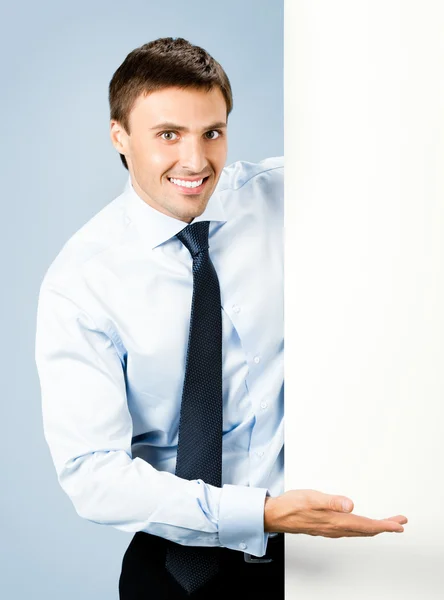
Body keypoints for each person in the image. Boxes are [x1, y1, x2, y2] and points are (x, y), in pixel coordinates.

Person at [34, 37, 408, 599]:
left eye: (212, 132)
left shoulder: (286, 198)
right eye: (168, 135)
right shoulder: (82, 282)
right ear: (119, 135)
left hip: (324, 553)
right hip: (179, 568)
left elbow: (401, 170)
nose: (195, 160)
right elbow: (93, 476)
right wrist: (261, 513)